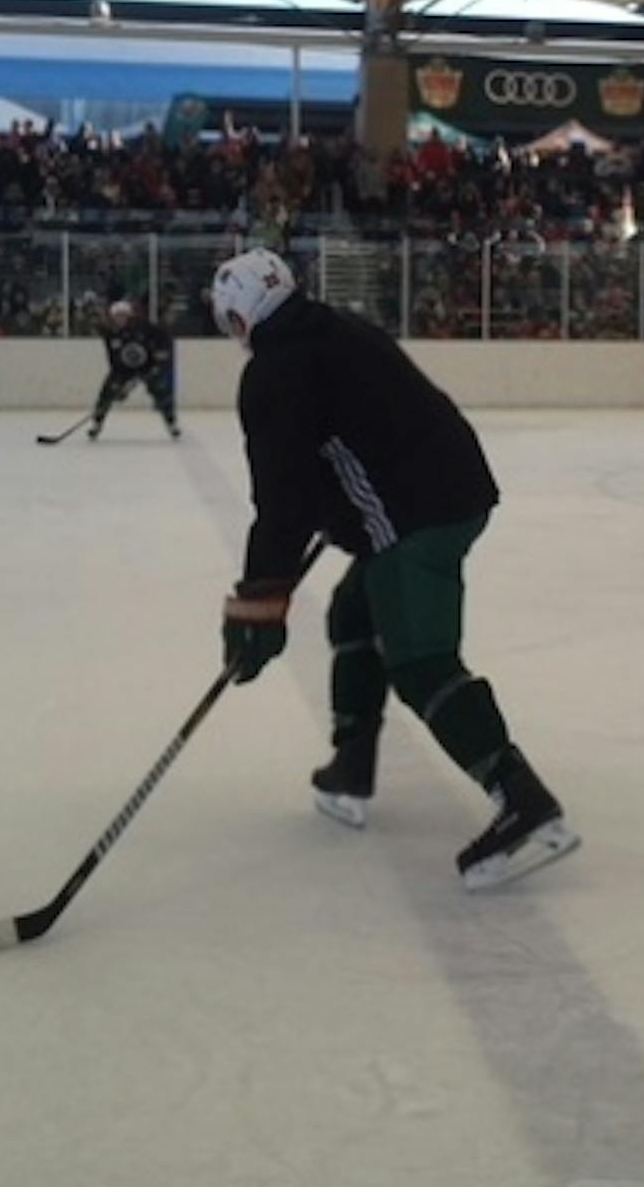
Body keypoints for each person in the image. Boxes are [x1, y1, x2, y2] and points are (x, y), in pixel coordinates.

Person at [210, 247, 578, 890]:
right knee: (355, 610)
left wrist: (259, 602)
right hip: (456, 490)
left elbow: (283, 500)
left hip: (416, 516)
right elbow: (363, 431)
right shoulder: (337, 327)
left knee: (421, 661)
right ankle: (351, 769)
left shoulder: (274, 372)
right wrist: (344, 517)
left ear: (240, 321)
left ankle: (523, 799)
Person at [88, 297, 179, 440]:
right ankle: (97, 423)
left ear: (130, 316)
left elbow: (163, 337)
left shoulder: (144, 327)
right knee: (107, 392)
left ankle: (171, 423)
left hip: (147, 367)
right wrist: (121, 387)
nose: (120, 319)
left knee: (161, 392)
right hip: (122, 370)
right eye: (117, 316)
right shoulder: (111, 335)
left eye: (123, 315)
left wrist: (160, 357)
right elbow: (114, 359)